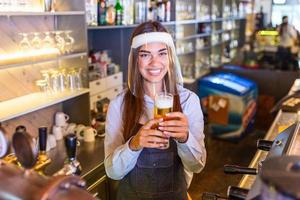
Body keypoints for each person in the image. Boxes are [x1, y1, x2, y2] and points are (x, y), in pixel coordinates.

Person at [104, 21, 206, 200]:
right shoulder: (119, 105)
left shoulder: (188, 101)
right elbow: (112, 172)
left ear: (170, 57)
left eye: (162, 53)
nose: (155, 62)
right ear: (135, 59)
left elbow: (197, 166)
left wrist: (185, 138)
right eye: (145, 54)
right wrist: (134, 144)